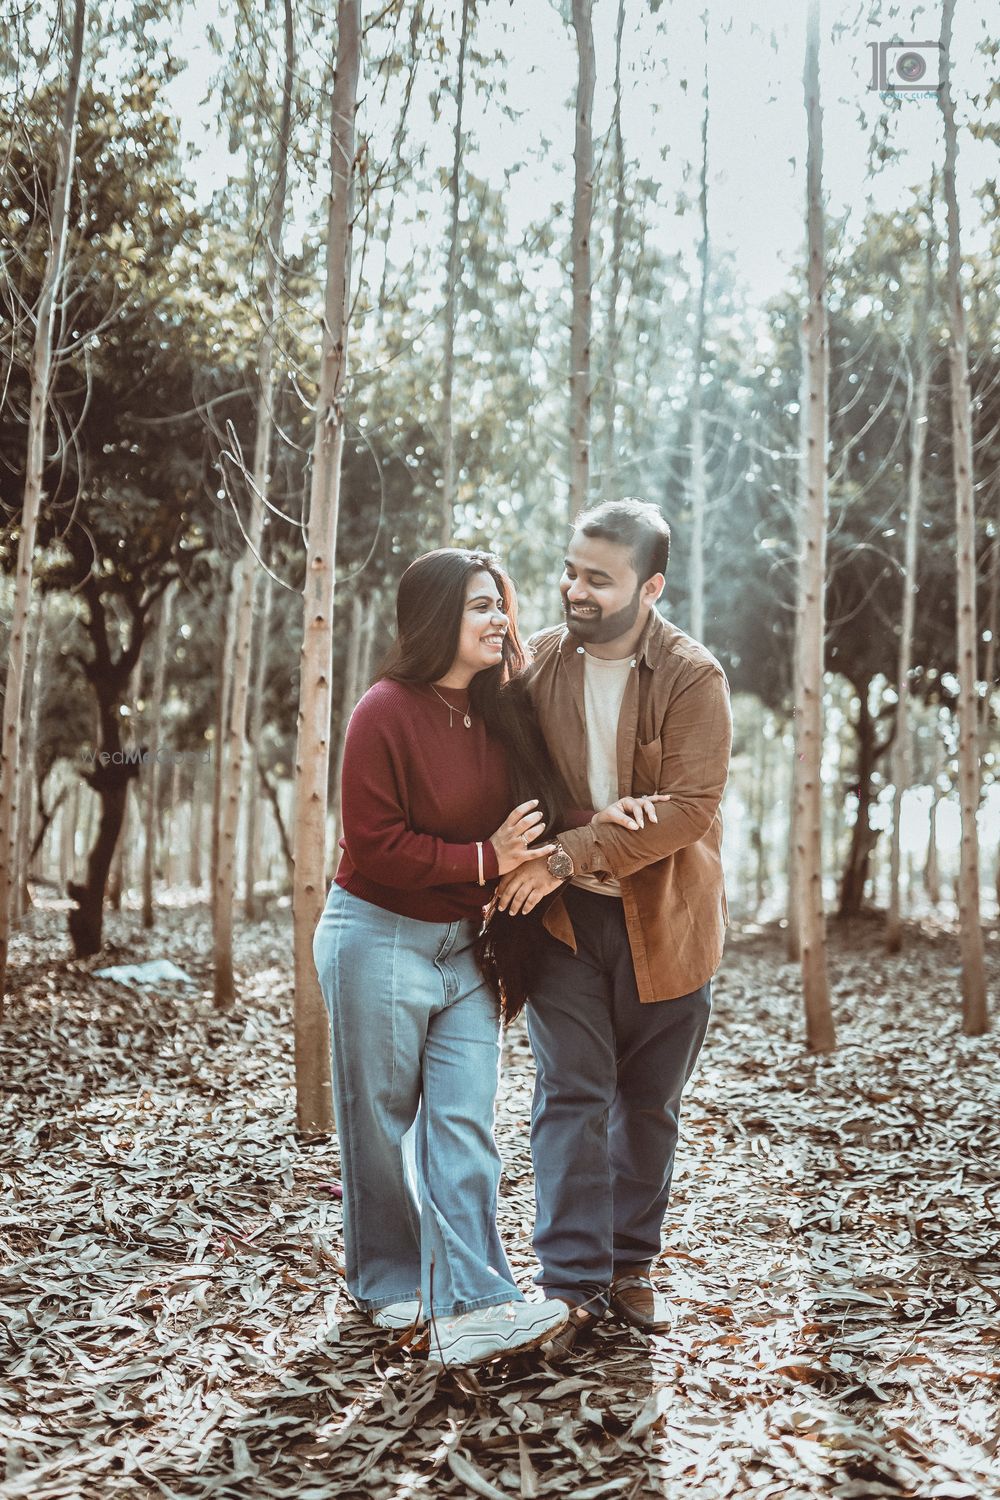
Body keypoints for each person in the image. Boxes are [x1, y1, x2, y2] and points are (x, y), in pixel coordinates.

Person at [312, 548, 571, 1368]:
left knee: (464, 1125)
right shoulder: (382, 711)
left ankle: (473, 1305)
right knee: (381, 1128)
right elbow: (376, 846)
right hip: (377, 935)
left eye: (501, 603)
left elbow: (542, 812)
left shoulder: (506, 710)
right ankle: (388, 1282)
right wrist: (489, 860)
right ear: (434, 621)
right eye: (477, 607)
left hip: (468, 947)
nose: (499, 619)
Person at [496, 498, 733, 1354]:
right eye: (570, 571)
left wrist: (568, 849)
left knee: (647, 1104)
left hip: (668, 923)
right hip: (562, 927)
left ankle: (630, 1265)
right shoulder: (539, 669)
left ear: (652, 585)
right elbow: (504, 772)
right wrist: (577, 838)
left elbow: (689, 810)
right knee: (571, 1096)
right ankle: (570, 1285)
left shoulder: (693, 676)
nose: (574, 590)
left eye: (599, 579)